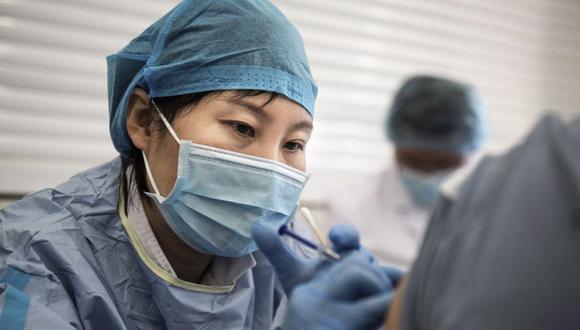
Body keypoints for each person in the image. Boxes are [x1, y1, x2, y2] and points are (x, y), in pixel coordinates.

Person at [0, 0, 343, 328]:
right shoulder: (33, 262)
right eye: (242, 127)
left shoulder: (287, 260)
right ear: (145, 120)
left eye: (293, 144)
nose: (270, 172)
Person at [254, 114, 580, 329]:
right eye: (242, 127)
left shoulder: (542, 177)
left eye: (294, 144)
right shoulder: (537, 170)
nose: (427, 172)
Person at [327, 75, 487, 268]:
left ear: (469, 153)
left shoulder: (493, 206)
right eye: (415, 161)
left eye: (444, 164)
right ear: (395, 145)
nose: (429, 174)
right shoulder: (350, 201)